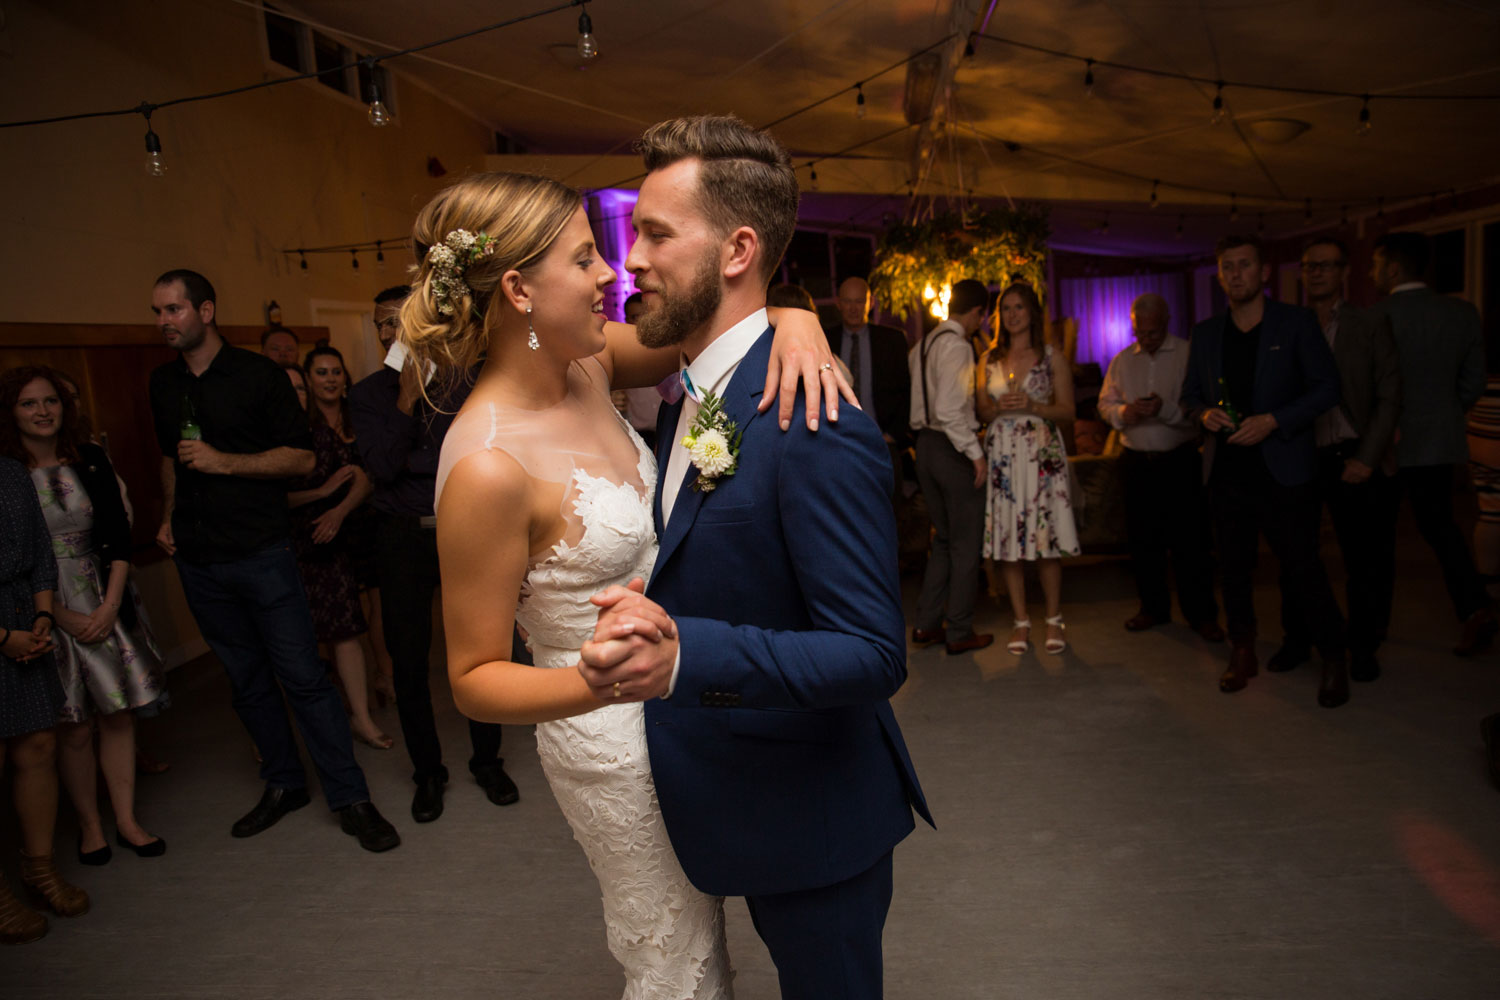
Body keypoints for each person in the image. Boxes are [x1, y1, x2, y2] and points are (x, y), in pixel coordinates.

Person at [415, 159, 855, 994]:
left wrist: (796, 319)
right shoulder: (486, 467)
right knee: (676, 958)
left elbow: (716, 321)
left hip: (682, 696)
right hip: (609, 734)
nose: (611, 274)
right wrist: (600, 684)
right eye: (585, 259)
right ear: (517, 288)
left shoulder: (586, 366)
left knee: (711, 936)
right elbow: (472, 679)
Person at [578, 114, 931, 1000]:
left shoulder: (814, 415)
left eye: (656, 234)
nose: (633, 261)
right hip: (729, 789)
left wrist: (685, 656)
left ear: (739, 249)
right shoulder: (704, 384)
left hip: (814, 814)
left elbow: (873, 651)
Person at [147, 269, 400, 852]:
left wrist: (224, 462)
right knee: (247, 682)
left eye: (174, 310)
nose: (164, 321)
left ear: (205, 311)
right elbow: (169, 458)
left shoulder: (258, 376)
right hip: (199, 558)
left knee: (305, 678)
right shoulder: (162, 382)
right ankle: (284, 783)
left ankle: (351, 797)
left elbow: (300, 459)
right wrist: (167, 513)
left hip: (262, 554)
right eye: (157, 311)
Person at [350, 286, 516, 824]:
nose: (389, 333)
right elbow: (382, 465)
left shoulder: (465, 386)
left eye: (400, 322)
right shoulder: (371, 394)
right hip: (400, 536)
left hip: (463, 531)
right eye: (381, 324)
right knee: (409, 659)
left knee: (482, 651)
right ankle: (428, 773)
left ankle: (488, 761)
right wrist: (403, 399)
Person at [3, 367, 167, 866]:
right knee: (72, 724)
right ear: (12, 413)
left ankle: (126, 820)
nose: (43, 411)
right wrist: (59, 617)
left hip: (102, 591)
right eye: (29, 404)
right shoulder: (8, 471)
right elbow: (23, 554)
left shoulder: (90, 458)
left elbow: (117, 535)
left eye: (50, 401)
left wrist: (111, 604)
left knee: (117, 711)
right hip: (43, 606)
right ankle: (90, 827)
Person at [1181, 236, 1349, 707]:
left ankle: (1335, 656)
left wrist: (1274, 420)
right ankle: (1242, 650)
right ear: (1220, 277)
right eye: (1228, 267)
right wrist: (1203, 415)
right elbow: (1189, 395)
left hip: (1283, 466)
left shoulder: (1295, 323)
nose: (1236, 274)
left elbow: (1327, 388)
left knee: (1303, 567)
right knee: (1233, 569)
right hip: (1227, 469)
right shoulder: (1208, 332)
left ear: (1264, 273)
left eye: (1245, 266)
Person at [1273, 238, 1402, 682]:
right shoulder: (1290, 325)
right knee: (1297, 555)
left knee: (1364, 560)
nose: (1317, 274)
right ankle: (1298, 639)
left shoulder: (1369, 324)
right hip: (1303, 456)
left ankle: (1364, 646)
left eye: (1327, 266)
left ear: (1345, 272)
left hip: (1356, 457)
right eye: (1310, 267)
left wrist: (1368, 458)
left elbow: (1389, 397)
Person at [1371, 231, 1495, 655]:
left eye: (1375, 264)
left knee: (1378, 538)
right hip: (1440, 441)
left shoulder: (1375, 316)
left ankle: (1373, 627)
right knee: (1443, 529)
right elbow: (1473, 382)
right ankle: (1475, 609)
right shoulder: (1461, 313)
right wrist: (1443, 414)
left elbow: (1368, 388)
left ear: (1392, 268)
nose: (1372, 273)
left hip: (1387, 443)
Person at [1098, 293, 1222, 641]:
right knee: (1142, 541)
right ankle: (1152, 608)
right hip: (1136, 461)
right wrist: (1125, 413)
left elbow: (1201, 410)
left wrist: (1165, 410)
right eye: (1140, 333)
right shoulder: (1123, 360)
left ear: (1166, 324)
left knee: (1191, 542)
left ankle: (1201, 614)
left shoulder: (1186, 354)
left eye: (1152, 333)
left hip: (1179, 460)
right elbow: (1105, 405)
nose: (1146, 340)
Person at [0, 454, 85, 945]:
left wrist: (44, 615)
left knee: (38, 747)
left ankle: (40, 869)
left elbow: (40, 548)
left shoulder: (10, 472)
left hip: (24, 613)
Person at [288, 346, 391, 750]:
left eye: (335, 371)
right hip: (309, 537)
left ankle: (378, 687)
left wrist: (340, 508)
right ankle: (334, 711)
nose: (329, 379)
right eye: (320, 373)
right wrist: (324, 494)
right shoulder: (297, 429)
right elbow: (273, 495)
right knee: (319, 630)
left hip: (360, 525)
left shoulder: (356, 416)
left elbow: (366, 475)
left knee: (367, 613)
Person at [976, 283, 1079, 655]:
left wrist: (1034, 407)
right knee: (1009, 543)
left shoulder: (1052, 357)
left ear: (1032, 312)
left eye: (1019, 307)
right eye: (1007, 309)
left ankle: (1053, 619)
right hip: (1003, 452)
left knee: (1046, 538)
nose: (1013, 314)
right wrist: (999, 409)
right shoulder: (988, 358)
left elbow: (1068, 410)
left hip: (1041, 453)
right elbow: (982, 411)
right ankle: (1020, 621)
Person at [909, 278, 995, 655]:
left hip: (924, 449)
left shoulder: (922, 344)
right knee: (965, 545)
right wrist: (975, 453)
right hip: (950, 448)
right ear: (977, 312)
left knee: (943, 540)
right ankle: (959, 630)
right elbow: (948, 410)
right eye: (983, 316)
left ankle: (927, 625)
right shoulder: (959, 346)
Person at [829, 276, 911, 500]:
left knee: (889, 512)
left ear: (871, 303)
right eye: (848, 301)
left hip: (882, 443)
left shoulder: (892, 340)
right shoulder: (825, 339)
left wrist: (894, 435)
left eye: (859, 301)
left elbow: (905, 389)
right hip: (837, 443)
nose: (854, 308)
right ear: (838, 303)